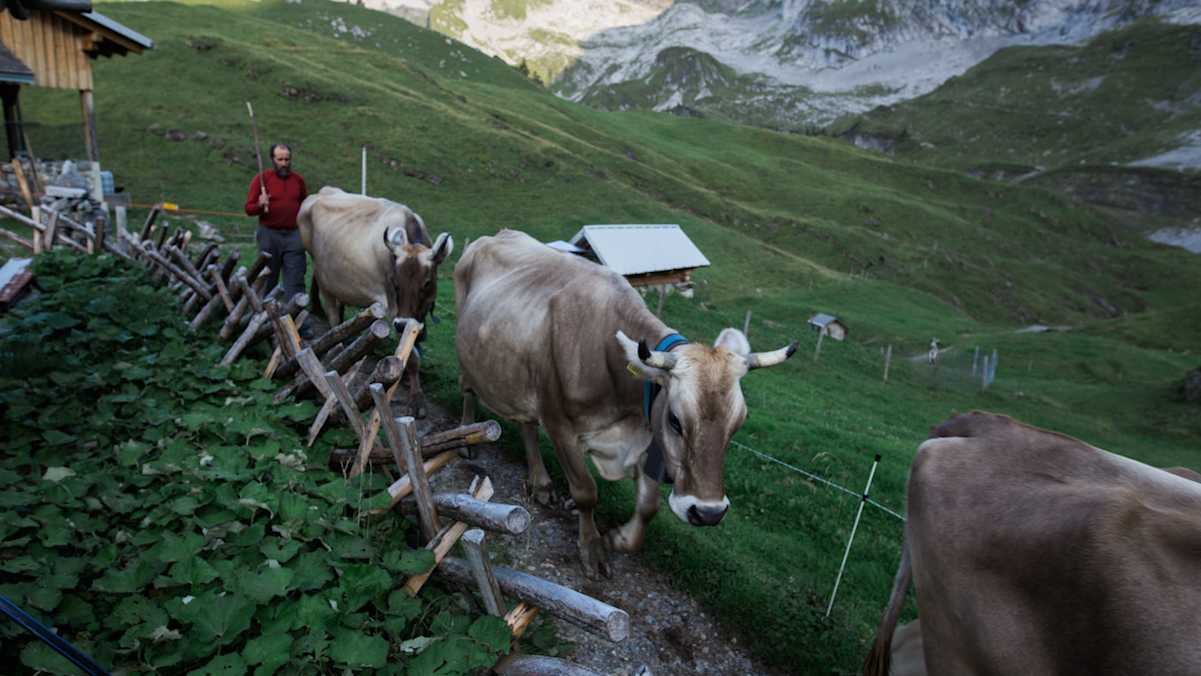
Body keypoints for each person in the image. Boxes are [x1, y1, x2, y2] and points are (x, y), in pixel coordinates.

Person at [244, 143, 308, 300]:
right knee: (267, 276)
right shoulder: (262, 179)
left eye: (287, 159)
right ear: (273, 159)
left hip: (294, 235)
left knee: (296, 276)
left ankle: (295, 316)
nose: (284, 163)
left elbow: (304, 205)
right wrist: (260, 204)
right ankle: (263, 316)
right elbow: (249, 209)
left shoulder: (298, 181)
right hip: (269, 234)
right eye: (280, 159)